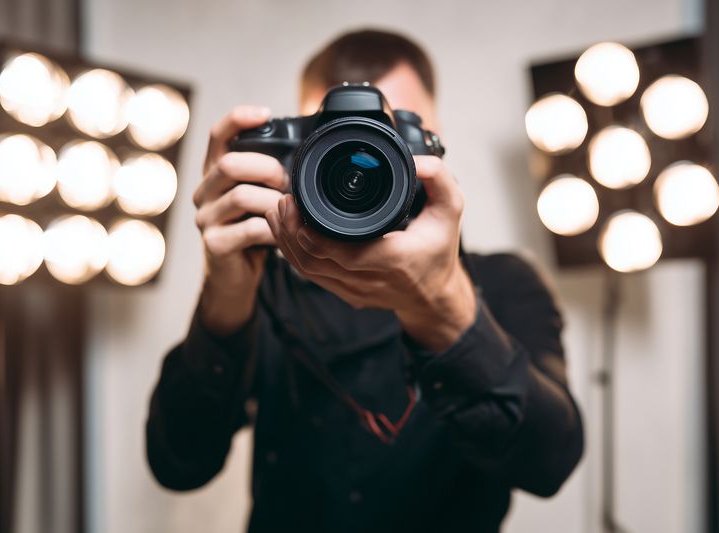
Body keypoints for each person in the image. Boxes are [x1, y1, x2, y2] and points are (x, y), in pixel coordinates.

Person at [146, 29, 584, 533]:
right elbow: (179, 463)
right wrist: (224, 293)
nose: (366, 155)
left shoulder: (503, 281)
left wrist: (444, 304)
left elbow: (551, 464)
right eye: (332, 134)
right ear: (297, 153)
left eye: (392, 131)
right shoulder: (264, 284)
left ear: (432, 139)